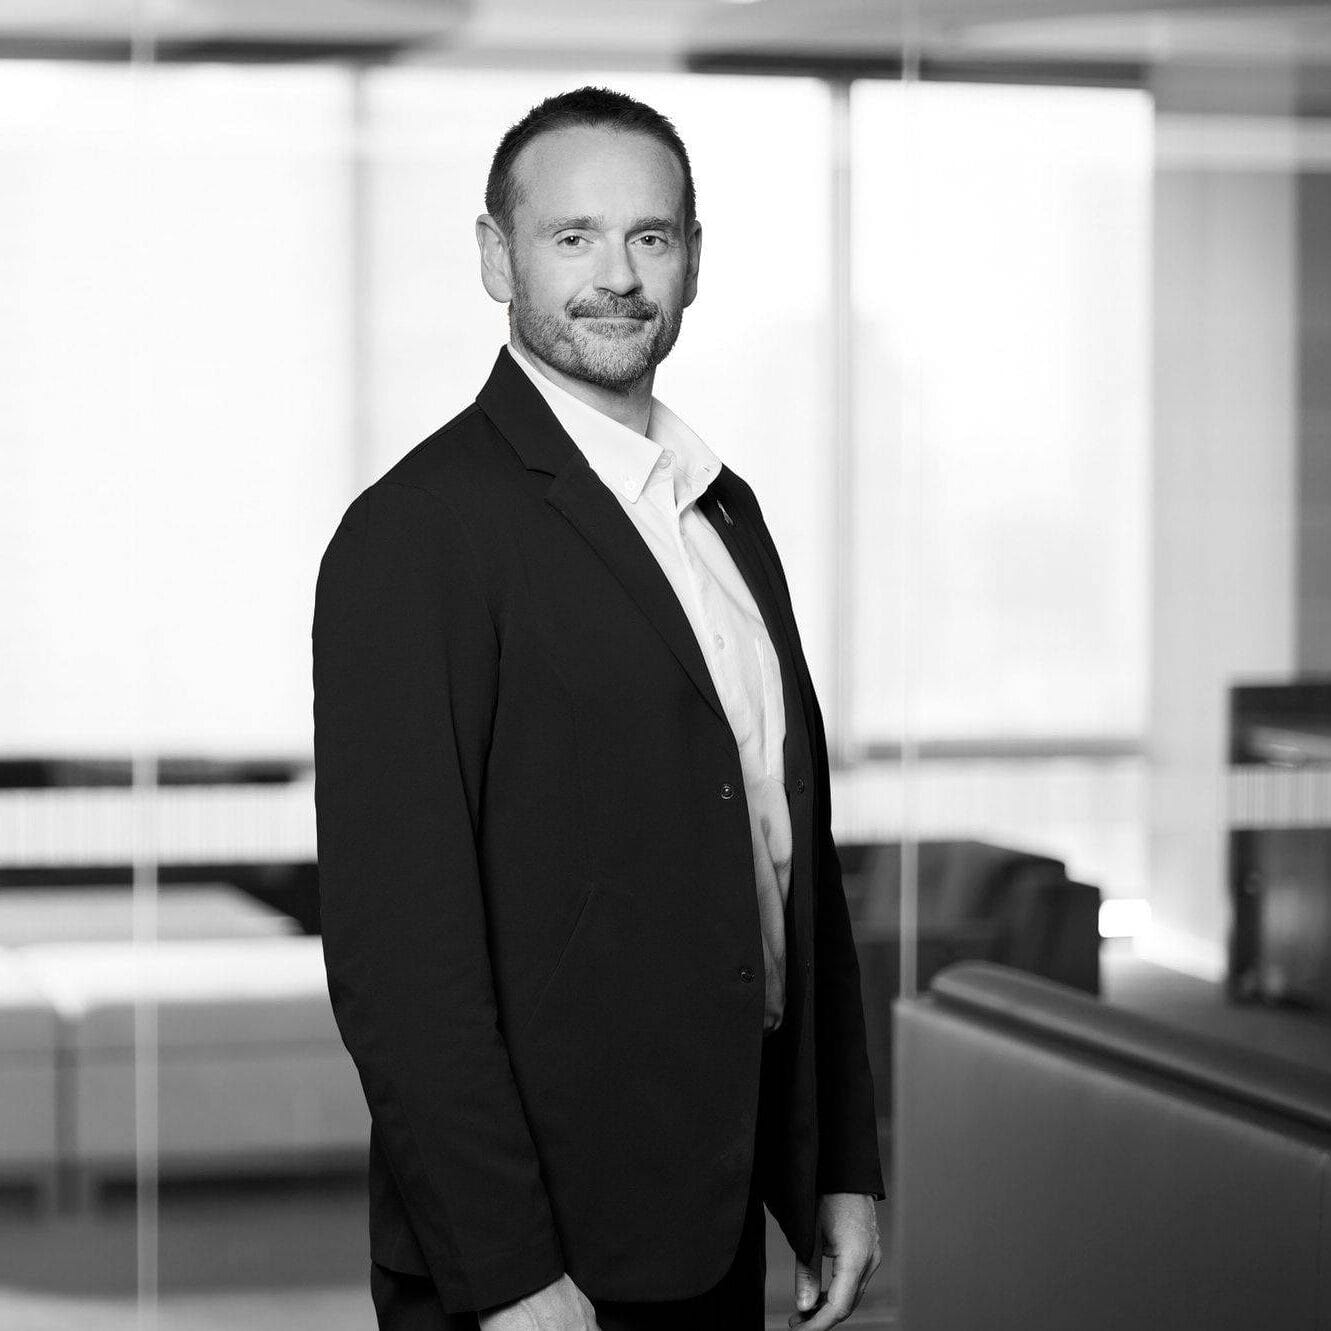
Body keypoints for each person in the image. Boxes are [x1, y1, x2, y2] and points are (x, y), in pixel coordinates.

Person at [312, 86, 883, 1331]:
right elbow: (397, 955)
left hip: (712, 1219)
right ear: (495, 257)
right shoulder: (415, 535)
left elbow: (786, 859)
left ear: (691, 262)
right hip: (539, 1265)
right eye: (571, 236)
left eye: (649, 236)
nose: (616, 275)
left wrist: (835, 1160)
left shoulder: (722, 513)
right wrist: (507, 1269)